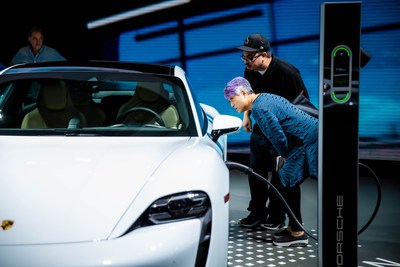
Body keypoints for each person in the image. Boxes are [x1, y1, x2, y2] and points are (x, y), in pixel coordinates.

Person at [224, 76, 318, 246]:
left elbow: (278, 138)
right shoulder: (264, 98)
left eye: (232, 99)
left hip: (306, 140)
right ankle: (294, 227)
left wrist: (284, 156)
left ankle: (297, 232)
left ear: (244, 93)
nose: (231, 104)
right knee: (287, 180)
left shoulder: (260, 109)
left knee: (286, 179)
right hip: (305, 138)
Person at [236, 33, 311, 230]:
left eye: (250, 57)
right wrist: (246, 116)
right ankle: (257, 212)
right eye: (244, 56)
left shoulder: (288, 73)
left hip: (284, 132)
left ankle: (277, 216)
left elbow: (304, 106)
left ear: (265, 54)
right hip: (262, 128)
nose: (246, 61)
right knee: (256, 172)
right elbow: (249, 95)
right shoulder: (250, 71)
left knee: (280, 175)